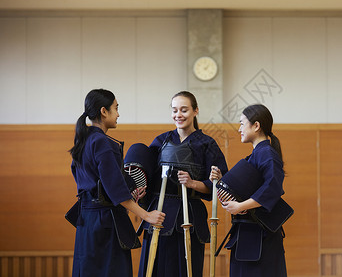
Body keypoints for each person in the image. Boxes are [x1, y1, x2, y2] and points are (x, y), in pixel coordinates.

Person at [69, 89, 165, 277]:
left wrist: (127, 198)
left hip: (86, 222)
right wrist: (146, 215)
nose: (118, 114)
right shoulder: (102, 142)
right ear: (104, 111)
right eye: (116, 108)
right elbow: (114, 190)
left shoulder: (84, 139)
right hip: (105, 222)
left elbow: (86, 180)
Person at [137, 91, 228, 277]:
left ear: (195, 111)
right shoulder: (161, 141)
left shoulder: (207, 144)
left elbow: (217, 186)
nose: (178, 115)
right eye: (174, 110)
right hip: (160, 213)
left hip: (190, 216)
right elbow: (146, 175)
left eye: (184, 110)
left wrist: (193, 183)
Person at [209, 104, 288, 277]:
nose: (239, 129)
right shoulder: (255, 155)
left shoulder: (267, 153)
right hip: (246, 234)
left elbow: (273, 188)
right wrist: (221, 179)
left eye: (242, 123)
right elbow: (245, 187)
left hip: (261, 237)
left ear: (256, 126)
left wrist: (240, 206)